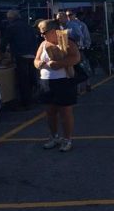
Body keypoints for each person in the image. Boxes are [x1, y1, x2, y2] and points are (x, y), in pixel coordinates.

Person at [34, 19, 81, 152]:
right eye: (41, 33)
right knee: (50, 112)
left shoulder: (66, 42)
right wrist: (38, 64)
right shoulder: (43, 44)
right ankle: (54, 137)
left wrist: (59, 64)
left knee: (65, 112)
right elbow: (36, 59)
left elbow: (76, 57)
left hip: (63, 81)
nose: (42, 35)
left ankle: (67, 139)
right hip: (46, 82)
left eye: (44, 32)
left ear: (54, 30)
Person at [1, 10, 38, 109]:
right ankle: (31, 100)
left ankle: (25, 103)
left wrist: (2, 51)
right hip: (32, 54)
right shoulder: (28, 26)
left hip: (21, 55)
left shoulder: (11, 27)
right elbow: (35, 39)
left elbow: (4, 42)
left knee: (23, 80)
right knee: (31, 78)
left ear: (10, 18)